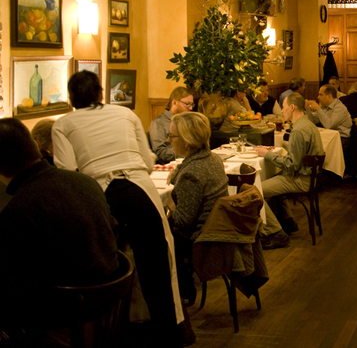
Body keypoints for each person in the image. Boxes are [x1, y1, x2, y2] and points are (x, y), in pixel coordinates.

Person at [51, 71, 184, 347]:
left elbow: (67, 170)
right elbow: (147, 160)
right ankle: (169, 336)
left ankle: (115, 333)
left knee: (107, 265)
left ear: (72, 98)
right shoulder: (125, 114)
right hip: (139, 189)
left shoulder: (63, 124)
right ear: (101, 93)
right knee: (157, 265)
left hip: (99, 194)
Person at [0, 118, 119, 337]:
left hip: (62, 316)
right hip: (108, 305)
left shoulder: (19, 209)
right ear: (35, 146)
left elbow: (16, 275)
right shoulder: (85, 182)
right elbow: (112, 233)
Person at [166, 112, 228, 305]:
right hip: (217, 228)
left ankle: (178, 293)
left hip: (199, 238)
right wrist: (177, 173)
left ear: (187, 141)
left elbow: (183, 221)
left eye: (172, 136)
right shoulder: (212, 159)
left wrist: (168, 204)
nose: (168, 140)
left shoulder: (192, 173)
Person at [254, 93, 324, 249]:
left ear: (292, 107)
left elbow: (292, 166)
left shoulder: (299, 130)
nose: (281, 111)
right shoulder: (308, 124)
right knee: (274, 177)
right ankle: (288, 221)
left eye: (284, 107)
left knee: (255, 192)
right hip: (309, 176)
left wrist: (268, 155)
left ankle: (276, 233)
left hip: (301, 179)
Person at [150, 86, 195, 164]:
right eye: (187, 104)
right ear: (174, 103)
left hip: (190, 161)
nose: (191, 108)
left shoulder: (188, 120)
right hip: (171, 165)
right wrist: (185, 151)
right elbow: (160, 153)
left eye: (192, 104)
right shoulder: (159, 122)